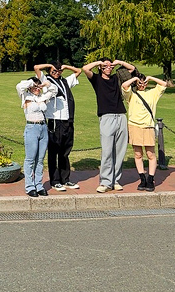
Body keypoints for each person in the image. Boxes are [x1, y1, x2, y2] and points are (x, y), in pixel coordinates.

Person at [81, 57, 135, 193]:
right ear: (100, 67)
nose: (108, 68)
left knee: (119, 150)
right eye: (105, 66)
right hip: (106, 117)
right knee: (107, 151)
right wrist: (99, 63)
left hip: (121, 115)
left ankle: (115, 180)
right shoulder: (96, 79)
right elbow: (85, 69)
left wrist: (119, 63)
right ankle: (105, 182)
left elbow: (132, 69)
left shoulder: (116, 78)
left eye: (110, 66)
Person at [34, 61, 82, 191]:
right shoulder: (46, 80)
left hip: (68, 119)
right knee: (54, 151)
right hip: (54, 119)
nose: (56, 73)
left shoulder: (65, 81)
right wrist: (49, 65)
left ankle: (65, 179)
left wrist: (65, 67)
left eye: (59, 71)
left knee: (65, 150)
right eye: (54, 71)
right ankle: (55, 180)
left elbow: (78, 71)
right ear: (50, 70)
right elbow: (36, 67)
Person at [122, 72, 167, 192]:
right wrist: (135, 78)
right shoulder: (131, 94)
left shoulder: (152, 93)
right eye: (140, 83)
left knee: (150, 154)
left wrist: (150, 77)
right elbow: (124, 86)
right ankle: (142, 178)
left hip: (148, 127)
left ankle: (150, 178)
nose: (142, 85)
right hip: (134, 126)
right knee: (138, 154)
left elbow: (164, 84)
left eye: (144, 83)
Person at [15, 75, 56, 197]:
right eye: (35, 87)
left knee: (40, 159)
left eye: (38, 87)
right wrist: (31, 83)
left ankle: (39, 185)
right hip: (31, 127)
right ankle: (29, 186)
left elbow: (54, 90)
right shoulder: (25, 96)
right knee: (30, 158)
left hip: (43, 127)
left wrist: (45, 84)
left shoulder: (42, 97)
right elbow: (19, 86)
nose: (37, 89)